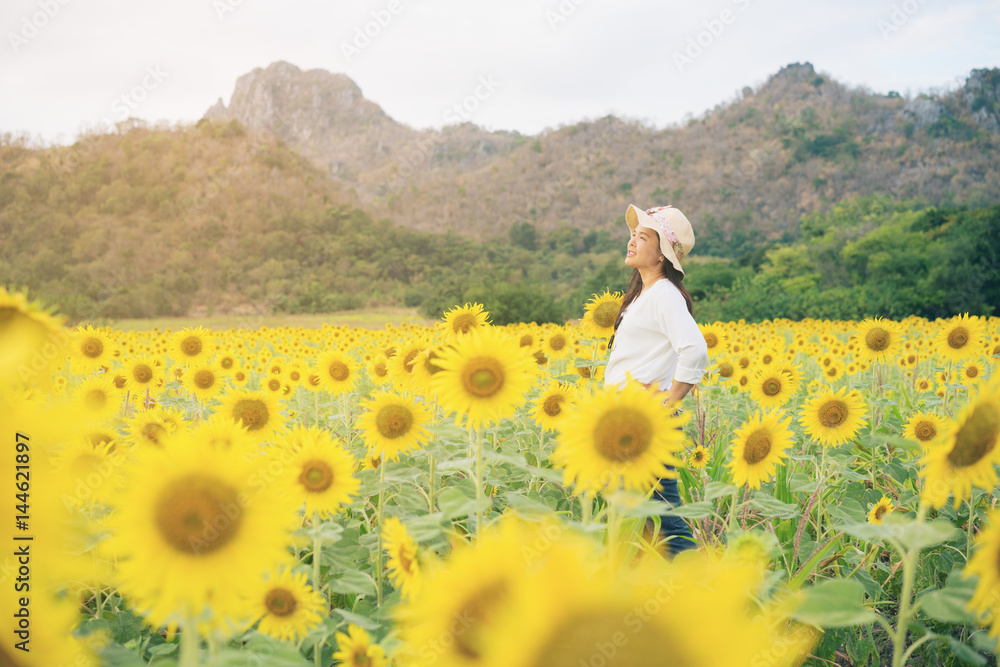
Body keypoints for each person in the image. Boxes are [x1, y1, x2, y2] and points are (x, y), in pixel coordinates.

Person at [604, 203, 709, 556]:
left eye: (643, 236)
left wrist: (666, 403)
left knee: (663, 516)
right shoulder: (644, 294)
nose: (632, 242)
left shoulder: (664, 294)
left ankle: (700, 588)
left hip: (647, 422)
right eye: (633, 235)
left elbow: (694, 350)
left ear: (662, 254)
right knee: (645, 517)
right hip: (630, 421)